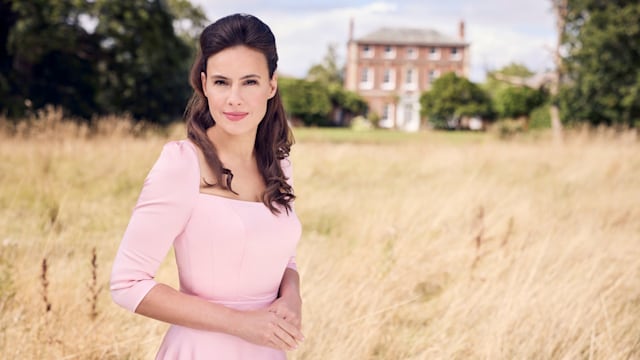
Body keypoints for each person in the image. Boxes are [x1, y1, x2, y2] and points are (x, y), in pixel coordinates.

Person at [110, 13, 304, 359]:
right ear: (203, 84)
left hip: (269, 351)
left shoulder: (278, 164)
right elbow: (127, 283)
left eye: (249, 82)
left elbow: (282, 256)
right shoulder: (182, 163)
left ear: (271, 85)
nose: (234, 98)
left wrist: (292, 297)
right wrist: (241, 323)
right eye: (221, 82)